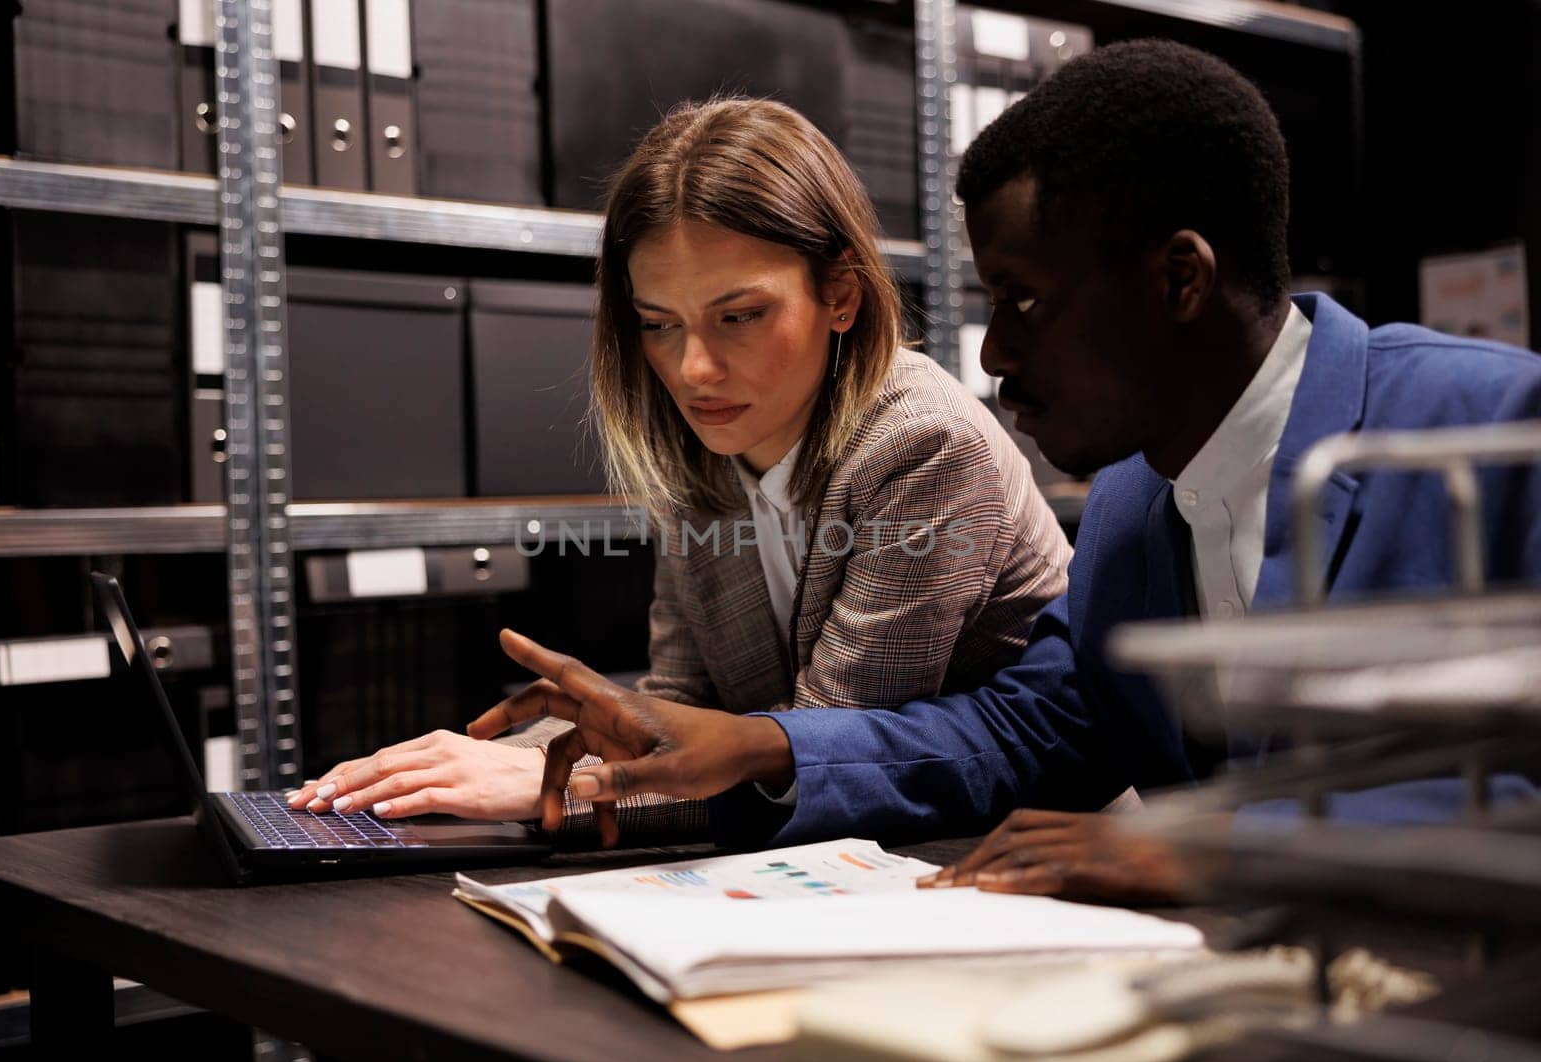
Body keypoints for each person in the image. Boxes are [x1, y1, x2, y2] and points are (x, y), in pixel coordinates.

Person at [466, 40, 1541, 895]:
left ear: (1179, 279)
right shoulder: (1129, 505)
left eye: (1022, 302)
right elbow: (1025, 723)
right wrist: (755, 746)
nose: (990, 354)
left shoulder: (1498, 423)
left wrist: (1221, 842)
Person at [286, 98, 1072, 838]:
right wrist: (503, 762)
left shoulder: (926, 443)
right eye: (659, 325)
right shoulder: (709, 445)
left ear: (841, 296)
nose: (694, 369)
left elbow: (824, 756)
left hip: (1005, 854)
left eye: (739, 318)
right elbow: (681, 705)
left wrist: (543, 783)